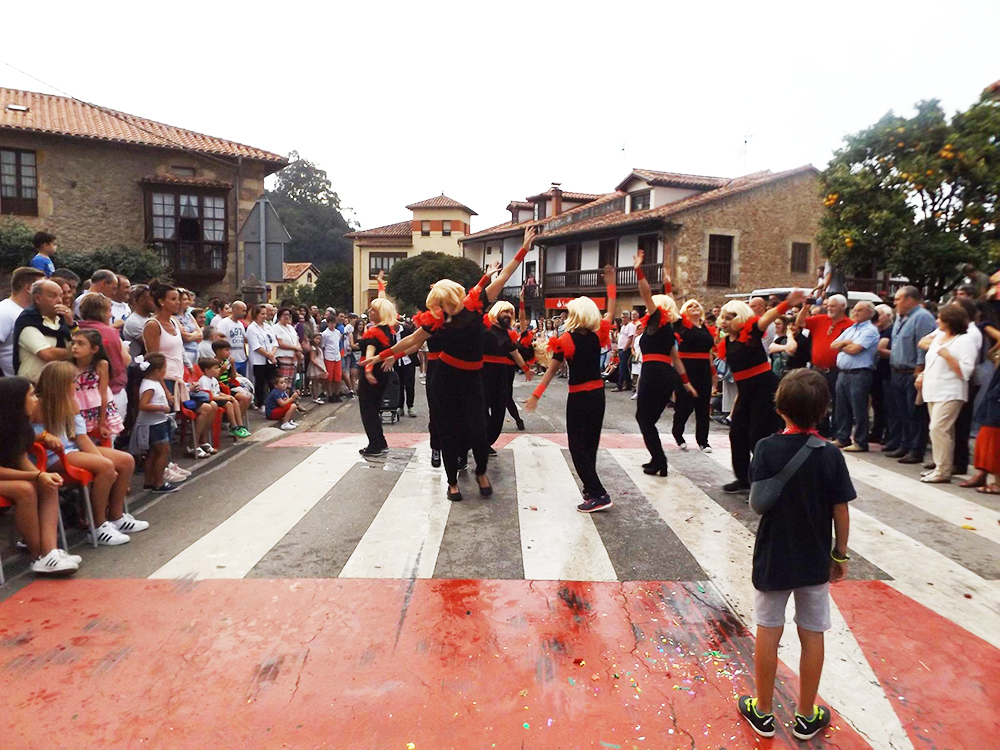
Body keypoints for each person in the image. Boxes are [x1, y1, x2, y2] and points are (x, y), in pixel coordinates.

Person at [366, 229, 536, 501]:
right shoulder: (436, 321)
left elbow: (504, 276)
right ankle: (453, 482)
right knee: (449, 430)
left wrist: (524, 248)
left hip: (473, 379)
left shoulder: (475, 304)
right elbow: (411, 340)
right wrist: (384, 354)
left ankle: (481, 471)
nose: (440, 307)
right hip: (445, 379)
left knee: (478, 430)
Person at [738, 368, 853, 741]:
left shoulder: (766, 448)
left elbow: (757, 503)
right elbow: (841, 510)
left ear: (779, 407)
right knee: (813, 631)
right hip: (814, 559)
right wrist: (839, 555)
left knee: (768, 628)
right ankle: (806, 715)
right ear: (823, 411)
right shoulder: (831, 454)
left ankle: (763, 710)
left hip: (774, 556)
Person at [525, 266, 617, 512]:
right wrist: (611, 284)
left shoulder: (566, 339)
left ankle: (599, 493)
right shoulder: (597, 335)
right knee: (590, 444)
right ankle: (591, 490)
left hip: (579, 397)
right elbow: (611, 312)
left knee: (577, 446)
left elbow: (551, 371)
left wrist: (535, 395)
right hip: (598, 395)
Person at [33, 361, 144, 542]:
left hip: (71, 450)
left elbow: (82, 437)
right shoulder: (37, 406)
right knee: (106, 467)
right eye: (72, 382)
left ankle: (116, 517)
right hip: (52, 456)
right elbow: (26, 435)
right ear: (59, 384)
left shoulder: (71, 403)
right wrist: (105, 464)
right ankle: (98, 527)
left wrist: (100, 458)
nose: (76, 386)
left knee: (126, 461)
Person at [718, 291, 804, 492]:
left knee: (759, 437)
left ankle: (765, 480)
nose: (723, 321)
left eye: (729, 318)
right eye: (723, 317)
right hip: (745, 393)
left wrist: (787, 304)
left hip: (764, 390)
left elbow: (767, 317)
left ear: (740, 318)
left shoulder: (752, 333)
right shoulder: (727, 341)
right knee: (737, 434)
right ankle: (743, 479)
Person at [0, 376, 78, 574]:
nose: (36, 399)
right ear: (16, 400)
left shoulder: (19, 425)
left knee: (48, 483)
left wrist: (41, 475)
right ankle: (38, 557)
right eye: (31, 395)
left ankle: (49, 552)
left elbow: (21, 460)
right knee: (25, 489)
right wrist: (35, 477)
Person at [628, 253, 697, 474]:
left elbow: (645, 293)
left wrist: (639, 270)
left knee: (644, 419)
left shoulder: (658, 321)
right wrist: (686, 383)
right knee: (648, 420)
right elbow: (676, 360)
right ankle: (657, 459)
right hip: (665, 375)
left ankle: (660, 461)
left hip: (653, 374)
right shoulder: (667, 329)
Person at [143, 279, 217, 455]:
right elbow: (153, 360)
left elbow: (181, 347)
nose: (178, 302)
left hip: (179, 380)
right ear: (161, 301)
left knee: (209, 406)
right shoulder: (153, 325)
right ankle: (165, 462)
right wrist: (163, 388)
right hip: (164, 381)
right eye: (173, 299)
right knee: (166, 426)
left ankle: (195, 444)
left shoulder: (175, 322)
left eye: (178, 299)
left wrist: (189, 368)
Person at [916, 304, 978, 483]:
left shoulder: (965, 341)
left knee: (938, 428)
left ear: (950, 321)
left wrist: (948, 356)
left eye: (940, 318)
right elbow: (931, 361)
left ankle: (942, 470)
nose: (937, 321)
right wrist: (922, 375)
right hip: (932, 389)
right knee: (942, 431)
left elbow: (965, 372)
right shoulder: (939, 338)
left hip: (951, 391)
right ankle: (941, 466)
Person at [885, 286, 938, 464]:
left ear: (909, 300)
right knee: (902, 412)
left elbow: (923, 344)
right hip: (897, 370)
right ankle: (905, 444)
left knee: (915, 413)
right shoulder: (901, 317)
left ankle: (916, 449)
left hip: (912, 371)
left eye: (898, 299)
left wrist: (920, 368)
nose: (895, 303)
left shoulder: (922, 317)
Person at [795, 294, 852, 436]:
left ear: (842, 307)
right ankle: (821, 430)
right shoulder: (820, 319)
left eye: (833, 306)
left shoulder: (850, 324)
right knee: (818, 400)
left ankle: (838, 432)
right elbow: (800, 322)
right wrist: (805, 307)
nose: (829, 308)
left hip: (836, 370)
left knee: (839, 403)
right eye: (828, 305)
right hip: (818, 368)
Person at [829, 300, 879, 452]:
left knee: (859, 409)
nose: (855, 313)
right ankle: (842, 437)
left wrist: (842, 346)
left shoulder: (870, 330)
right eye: (854, 310)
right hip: (843, 373)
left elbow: (855, 349)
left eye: (860, 310)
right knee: (842, 408)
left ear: (870, 313)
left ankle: (860, 441)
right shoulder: (851, 329)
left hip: (859, 373)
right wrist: (846, 342)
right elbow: (833, 345)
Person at [482, 300, 533, 449]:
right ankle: (479, 443)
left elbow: (515, 354)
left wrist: (526, 369)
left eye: (511, 313)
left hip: (501, 377)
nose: (508, 315)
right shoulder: (484, 329)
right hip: (482, 375)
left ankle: (485, 443)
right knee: (481, 411)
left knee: (499, 414)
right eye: (505, 311)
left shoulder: (508, 335)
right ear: (497, 312)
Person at [128, 353, 178, 493]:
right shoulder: (149, 386)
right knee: (163, 451)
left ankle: (149, 481)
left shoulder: (153, 382)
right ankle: (158, 482)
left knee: (153, 453)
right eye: (164, 368)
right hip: (154, 424)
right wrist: (162, 408)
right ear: (157, 370)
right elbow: (143, 405)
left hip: (157, 421)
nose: (165, 371)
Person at [673, 296, 717, 452]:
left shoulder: (706, 328)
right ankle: (678, 433)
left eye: (697, 305)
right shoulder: (680, 325)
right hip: (686, 367)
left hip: (703, 368)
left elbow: (709, 352)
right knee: (684, 405)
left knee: (703, 406)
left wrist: (713, 373)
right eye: (690, 306)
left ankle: (703, 441)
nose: (694, 307)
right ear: (685, 311)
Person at [13, 278, 74, 382]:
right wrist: (76, 352)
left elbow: (82, 341)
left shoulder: (64, 320)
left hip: (62, 383)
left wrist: (71, 324)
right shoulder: (28, 321)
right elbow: (47, 354)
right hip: (35, 385)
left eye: (60, 295)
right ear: (38, 299)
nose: (60, 300)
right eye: (53, 296)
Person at [70, 328, 124, 442]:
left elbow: (103, 394)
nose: (74, 347)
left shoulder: (101, 364)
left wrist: (102, 423)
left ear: (94, 349)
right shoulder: (68, 366)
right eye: (73, 343)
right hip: (75, 410)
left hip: (96, 410)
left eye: (80, 344)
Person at [0, 266, 45, 376]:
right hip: (11, 382)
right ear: (29, 288)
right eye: (42, 289)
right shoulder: (4, 311)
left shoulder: (32, 312)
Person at [197, 357, 251, 438]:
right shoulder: (203, 380)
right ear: (207, 370)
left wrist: (228, 396)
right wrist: (225, 398)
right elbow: (209, 395)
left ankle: (240, 425)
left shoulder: (214, 380)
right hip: (210, 400)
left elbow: (218, 392)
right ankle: (233, 426)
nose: (218, 370)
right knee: (229, 404)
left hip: (217, 397)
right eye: (216, 368)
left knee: (235, 401)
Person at [870, 304, 896, 450]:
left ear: (888, 316)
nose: (876, 318)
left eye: (879, 314)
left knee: (888, 405)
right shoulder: (875, 331)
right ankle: (877, 431)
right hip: (876, 371)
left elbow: (882, 349)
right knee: (877, 403)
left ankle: (889, 434)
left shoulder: (891, 331)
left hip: (888, 371)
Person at [210, 339, 252, 427]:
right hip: (220, 389)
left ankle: (237, 421)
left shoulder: (226, 362)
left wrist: (232, 365)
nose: (229, 353)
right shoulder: (213, 363)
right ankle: (233, 422)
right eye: (226, 350)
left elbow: (233, 377)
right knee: (243, 398)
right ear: (218, 351)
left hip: (228, 386)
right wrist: (221, 371)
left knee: (248, 397)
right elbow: (213, 379)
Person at [246, 304, 278, 407]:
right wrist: (269, 355)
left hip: (270, 359)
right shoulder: (252, 328)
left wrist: (272, 354)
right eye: (262, 314)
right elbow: (256, 346)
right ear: (256, 314)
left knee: (273, 382)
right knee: (260, 383)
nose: (265, 316)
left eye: (265, 314)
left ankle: (274, 402)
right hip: (258, 360)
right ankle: (261, 404)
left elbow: (274, 342)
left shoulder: (268, 327)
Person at [215, 300, 248, 376]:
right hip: (230, 359)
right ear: (235, 309)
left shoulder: (240, 324)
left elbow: (243, 340)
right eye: (243, 311)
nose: (245, 313)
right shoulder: (224, 323)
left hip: (242, 358)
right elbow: (219, 339)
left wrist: (245, 354)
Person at [121, 284, 155, 359]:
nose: (156, 303)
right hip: (139, 364)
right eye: (152, 300)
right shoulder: (133, 322)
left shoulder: (150, 317)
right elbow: (153, 344)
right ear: (141, 301)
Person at [394, 317, 419, 418]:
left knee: (409, 385)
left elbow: (414, 343)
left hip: (408, 360)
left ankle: (410, 407)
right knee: (398, 385)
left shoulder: (407, 330)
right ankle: (400, 407)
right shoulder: (390, 333)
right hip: (396, 362)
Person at [319, 313, 344, 403]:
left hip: (337, 356)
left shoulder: (337, 333)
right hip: (328, 356)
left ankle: (337, 394)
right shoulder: (325, 334)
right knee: (329, 378)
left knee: (338, 377)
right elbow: (323, 346)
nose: (332, 324)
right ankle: (330, 395)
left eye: (334, 323)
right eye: (331, 323)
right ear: (328, 323)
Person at [273, 307, 302, 387]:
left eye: (288, 315)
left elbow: (296, 340)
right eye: (284, 315)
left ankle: (288, 395)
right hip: (282, 357)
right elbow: (279, 343)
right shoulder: (276, 327)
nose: (287, 316)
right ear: (279, 316)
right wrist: (295, 348)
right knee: (283, 381)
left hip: (293, 358)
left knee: (290, 382)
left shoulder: (291, 327)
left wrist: (299, 350)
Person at [176, 289, 203, 367]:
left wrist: (192, 334)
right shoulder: (173, 317)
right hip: (185, 353)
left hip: (196, 352)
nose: (187, 301)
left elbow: (201, 335)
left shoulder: (189, 315)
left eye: (188, 299)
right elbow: (186, 337)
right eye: (184, 299)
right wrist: (195, 333)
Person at [614, 309, 637, 392]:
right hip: (621, 348)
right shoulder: (623, 327)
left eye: (624, 317)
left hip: (626, 349)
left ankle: (619, 385)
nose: (623, 319)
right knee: (624, 368)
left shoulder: (630, 326)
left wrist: (625, 348)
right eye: (622, 317)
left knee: (622, 367)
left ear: (628, 318)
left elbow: (630, 338)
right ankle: (628, 384)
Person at [307, 333, 328, 402]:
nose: (318, 340)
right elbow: (312, 359)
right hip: (316, 366)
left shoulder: (318, 347)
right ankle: (315, 397)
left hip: (319, 364)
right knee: (315, 382)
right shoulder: (313, 348)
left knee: (317, 382)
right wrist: (320, 367)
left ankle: (317, 396)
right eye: (317, 338)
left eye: (319, 339)